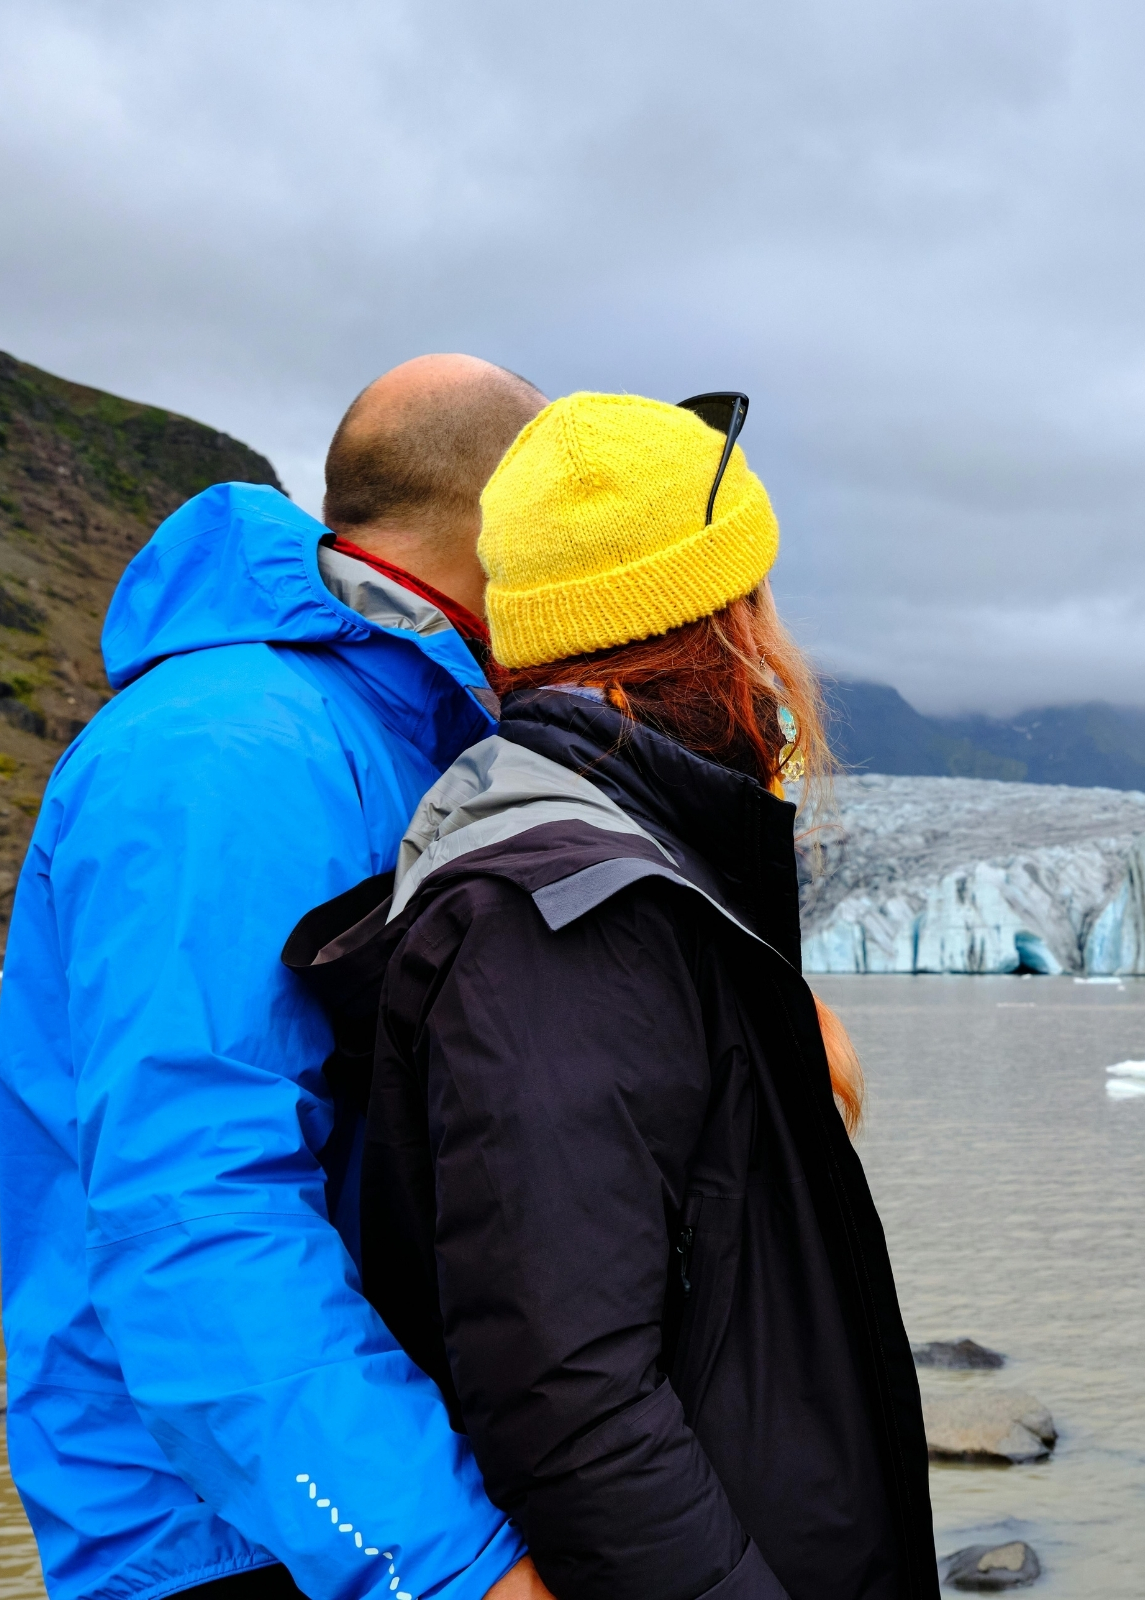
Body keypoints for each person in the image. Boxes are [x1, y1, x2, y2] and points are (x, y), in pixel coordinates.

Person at [282, 392, 935, 1600]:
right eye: (763, 589)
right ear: (725, 621)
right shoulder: (562, 920)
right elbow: (570, 1403)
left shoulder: (618, 885)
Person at [0, 355, 559, 1600]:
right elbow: (197, 1209)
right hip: (232, 1540)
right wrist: (447, 1562)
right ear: (508, 514)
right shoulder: (234, 749)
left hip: (330, 1499)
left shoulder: (393, 728)